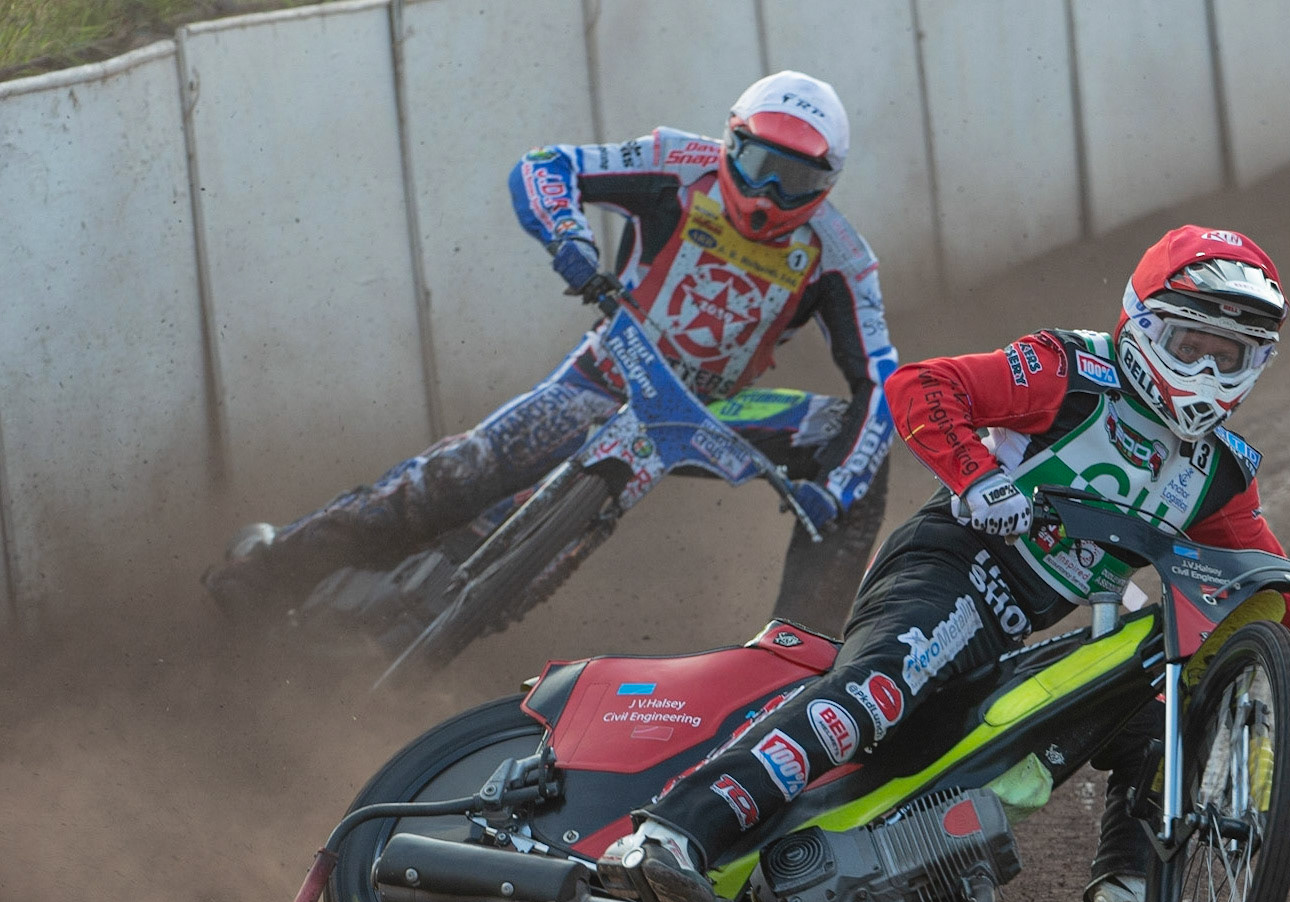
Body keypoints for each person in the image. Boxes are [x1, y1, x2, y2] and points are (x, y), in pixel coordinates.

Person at [596, 225, 1290, 902]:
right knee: (875, 691)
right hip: (949, 566)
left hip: (1015, 627)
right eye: (1190, 344)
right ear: (1143, 326)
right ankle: (671, 833)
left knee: (1158, 697)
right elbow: (922, 386)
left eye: (1229, 355)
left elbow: (1259, 581)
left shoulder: (1222, 472)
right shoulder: (1068, 369)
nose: (1206, 369)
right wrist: (977, 477)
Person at [203, 71, 898, 636]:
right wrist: (568, 237)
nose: (767, 194)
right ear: (729, 141)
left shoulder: (842, 259)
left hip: (712, 416)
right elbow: (546, 165)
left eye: (794, 181)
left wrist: (833, 489)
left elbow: (879, 380)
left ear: (826, 186)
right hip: (607, 376)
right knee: (459, 476)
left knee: (860, 460)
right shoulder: (674, 163)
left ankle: (798, 658)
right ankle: (268, 571)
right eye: (756, 165)